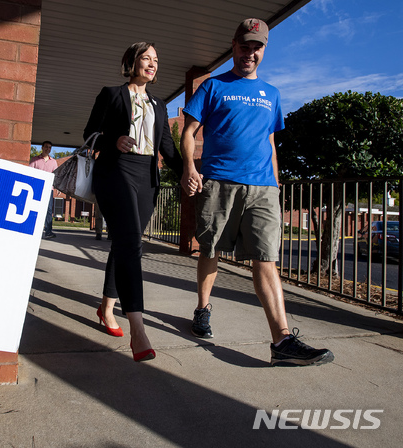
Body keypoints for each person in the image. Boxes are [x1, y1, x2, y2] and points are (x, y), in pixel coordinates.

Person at [180, 18, 334, 366]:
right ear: (234, 45)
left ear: (263, 50)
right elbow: (189, 131)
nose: (250, 52)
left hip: (263, 188)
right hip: (220, 180)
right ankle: (202, 309)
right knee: (211, 248)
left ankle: (281, 341)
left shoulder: (272, 94)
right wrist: (190, 167)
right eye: (245, 45)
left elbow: (270, 141)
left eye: (257, 47)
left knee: (267, 258)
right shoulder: (213, 87)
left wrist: (276, 187)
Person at [84, 42, 183, 362]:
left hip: (146, 179)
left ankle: (106, 307)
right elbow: (89, 134)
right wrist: (113, 140)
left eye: (156, 60)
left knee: (127, 244)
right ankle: (138, 328)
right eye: (146, 58)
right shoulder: (111, 94)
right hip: (116, 170)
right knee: (128, 243)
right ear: (132, 62)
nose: (152, 64)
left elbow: (167, 146)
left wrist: (188, 173)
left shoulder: (160, 103)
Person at [30, 141, 58, 238]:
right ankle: (31, 229)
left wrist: (57, 188)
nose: (48, 149)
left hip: (48, 189)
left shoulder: (53, 162)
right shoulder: (35, 160)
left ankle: (48, 232)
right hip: (37, 188)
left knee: (49, 210)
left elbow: (55, 176)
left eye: (49, 147)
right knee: (34, 207)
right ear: (42, 147)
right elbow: (30, 174)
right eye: (46, 147)